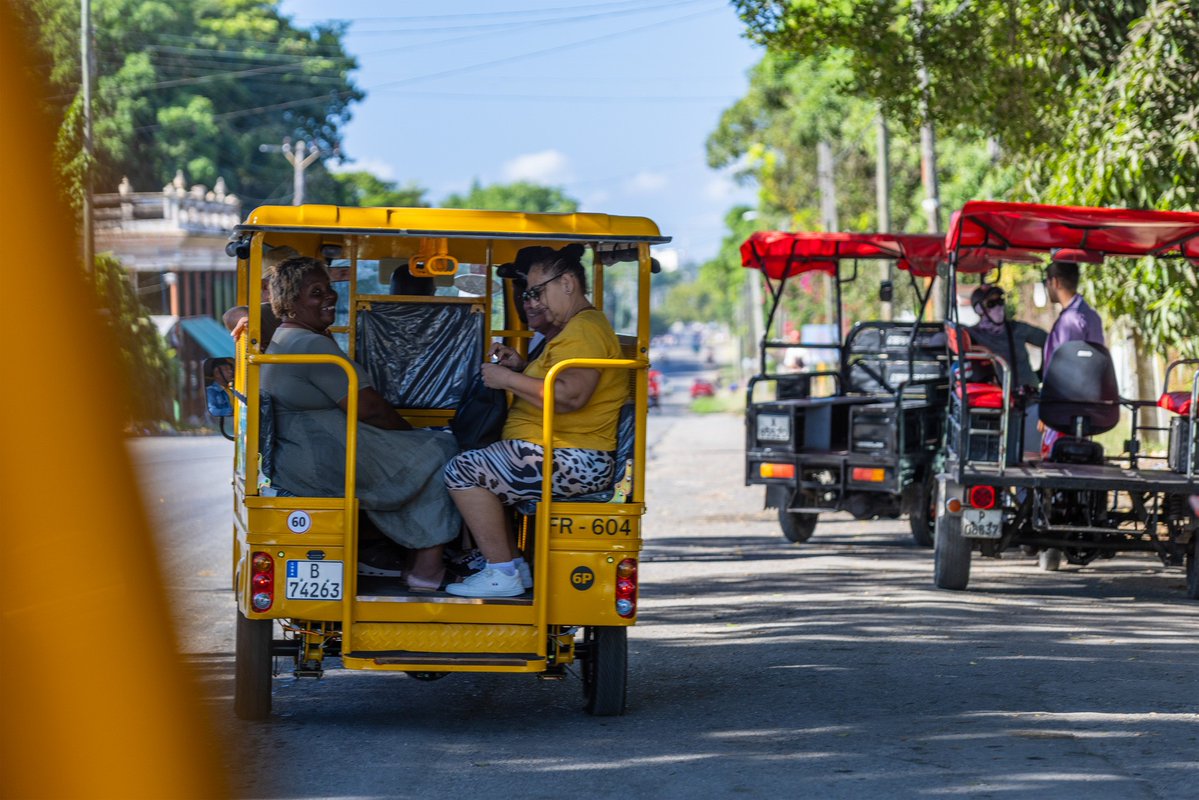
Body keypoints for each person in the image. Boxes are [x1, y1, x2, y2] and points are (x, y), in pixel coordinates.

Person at [262, 256, 462, 591]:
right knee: (443, 450)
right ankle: (426, 569)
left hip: (301, 457)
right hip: (326, 460)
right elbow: (370, 409)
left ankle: (408, 556)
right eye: (316, 292)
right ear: (291, 302)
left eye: (328, 289)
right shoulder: (311, 345)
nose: (330, 296)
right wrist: (413, 437)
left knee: (422, 454)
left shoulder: (282, 337)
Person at [443, 245, 627, 597]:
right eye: (528, 293)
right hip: (559, 450)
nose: (531, 302)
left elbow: (570, 395)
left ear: (568, 283)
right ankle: (514, 567)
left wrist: (506, 380)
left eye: (536, 292)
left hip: (573, 457)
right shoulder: (574, 329)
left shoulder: (584, 329)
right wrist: (520, 368)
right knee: (469, 460)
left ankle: (502, 573)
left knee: (462, 470)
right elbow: (553, 382)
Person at [1038, 260, 1107, 454]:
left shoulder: (1069, 321)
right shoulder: (1091, 316)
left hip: (1065, 410)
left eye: (1047, 283)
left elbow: (1064, 372)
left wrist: (1047, 411)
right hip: (1087, 408)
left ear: (1055, 282)